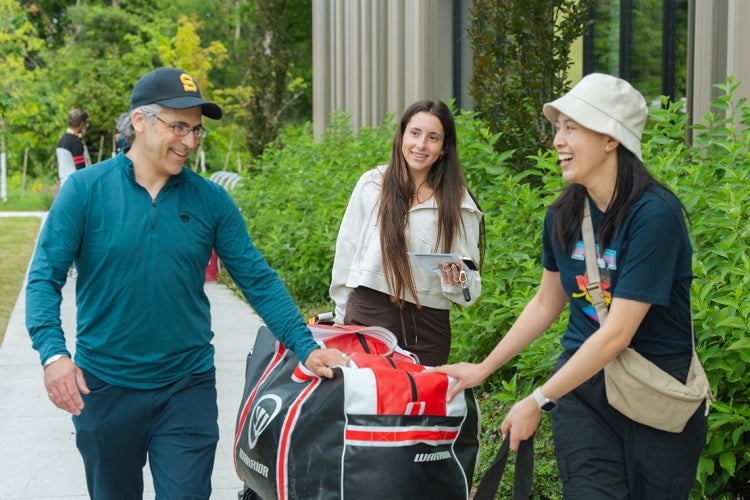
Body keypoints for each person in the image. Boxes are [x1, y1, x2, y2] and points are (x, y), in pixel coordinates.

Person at [26, 67, 348, 499]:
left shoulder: (210, 200)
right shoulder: (85, 191)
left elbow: (256, 277)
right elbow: (43, 279)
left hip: (185, 387)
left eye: (196, 130)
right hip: (104, 386)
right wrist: (53, 355)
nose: (190, 141)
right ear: (140, 122)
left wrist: (305, 347)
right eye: (179, 126)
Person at [435, 73, 707, 498]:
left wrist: (537, 399)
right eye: (557, 127)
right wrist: (484, 368)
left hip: (655, 392)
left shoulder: (655, 217)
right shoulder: (563, 215)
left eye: (571, 127)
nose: (558, 140)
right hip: (583, 394)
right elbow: (547, 301)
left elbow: (617, 334)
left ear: (610, 138)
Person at [329, 99, 485, 366]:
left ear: (444, 148)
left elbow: (470, 289)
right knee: (365, 404)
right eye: (415, 133)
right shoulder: (372, 184)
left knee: (418, 406)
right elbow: (347, 249)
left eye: (433, 137)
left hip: (426, 329)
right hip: (367, 313)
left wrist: (455, 280)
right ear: (402, 136)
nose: (421, 145)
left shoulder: (459, 205)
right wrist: (340, 317)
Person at [56, 108, 91, 186]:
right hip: (75, 185)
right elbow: (81, 169)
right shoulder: (76, 143)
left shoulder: (62, 140)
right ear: (82, 124)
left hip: (64, 184)